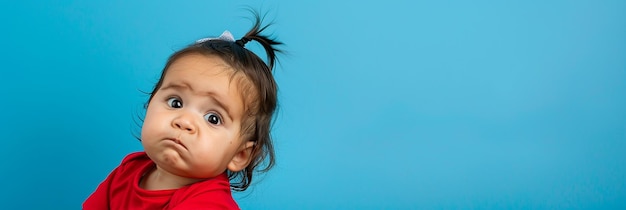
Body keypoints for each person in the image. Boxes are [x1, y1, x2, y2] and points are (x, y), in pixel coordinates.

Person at [83, 12, 282, 209]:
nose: (184, 121)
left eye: (213, 118)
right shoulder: (129, 169)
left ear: (239, 155)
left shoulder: (209, 205)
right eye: (175, 103)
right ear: (149, 104)